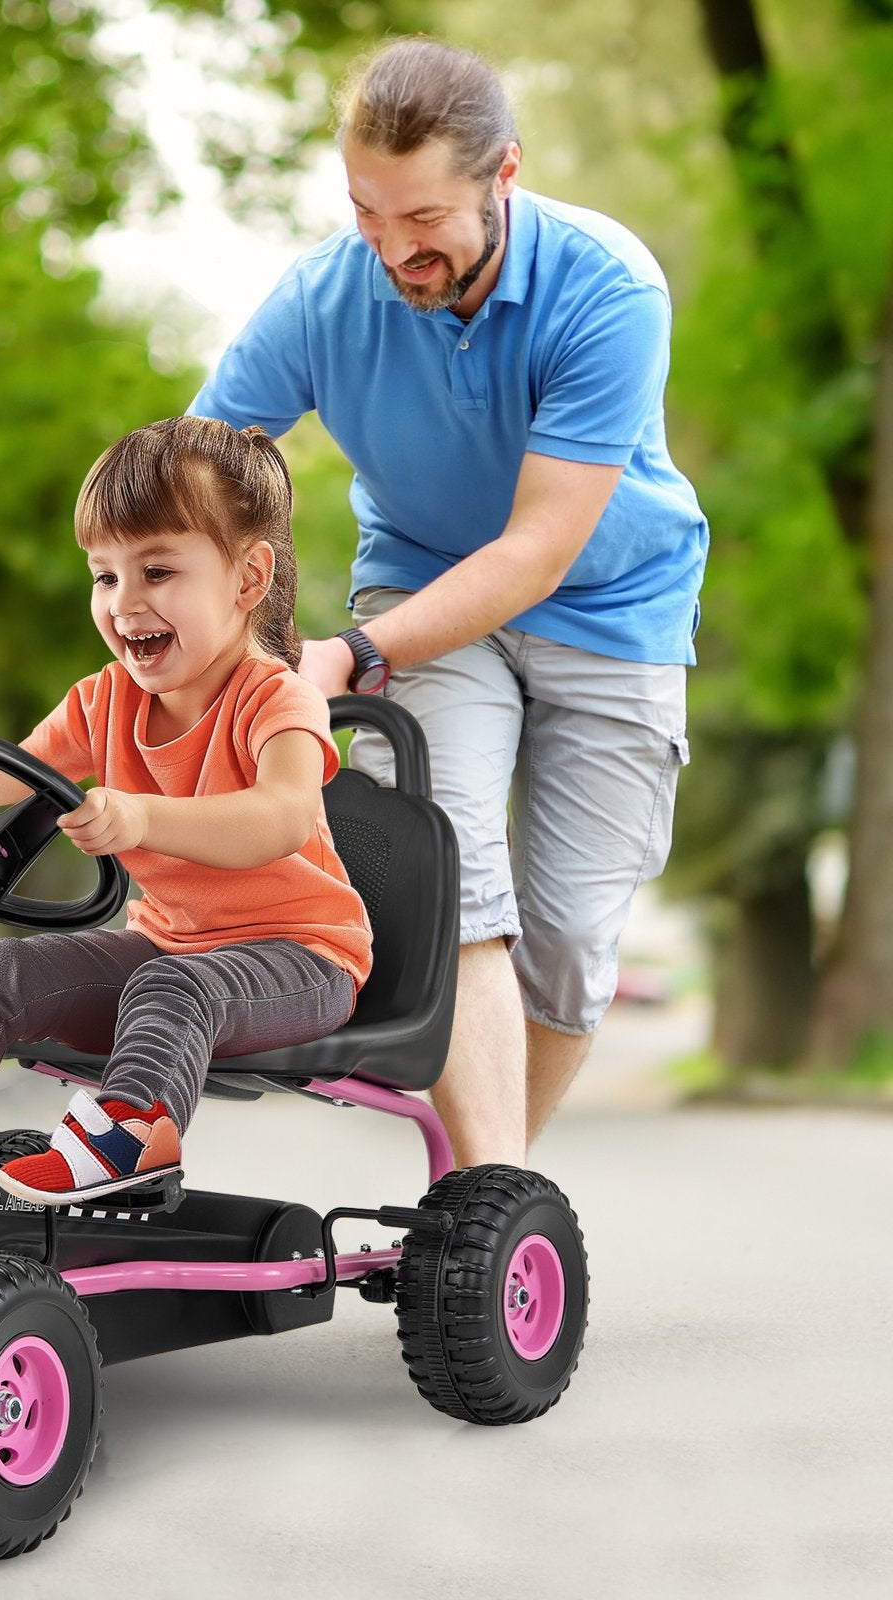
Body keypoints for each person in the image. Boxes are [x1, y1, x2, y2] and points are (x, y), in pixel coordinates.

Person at [190, 38, 708, 1169]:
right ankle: (484, 1209)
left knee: (569, 939)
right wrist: (178, 602)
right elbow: (198, 468)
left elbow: (532, 551)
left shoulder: (608, 288)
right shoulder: (326, 295)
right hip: (421, 580)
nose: (389, 247)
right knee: (457, 875)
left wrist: (346, 653)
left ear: (503, 175)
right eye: (365, 211)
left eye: (420, 217)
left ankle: (480, 1209)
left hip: (609, 603)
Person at [0, 415, 372, 1225]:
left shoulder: (277, 697)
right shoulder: (103, 700)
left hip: (302, 958)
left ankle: (133, 1133)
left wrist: (142, 816)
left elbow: (281, 818)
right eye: (105, 577)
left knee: (172, 982)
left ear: (248, 580)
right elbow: (5, 776)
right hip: (170, 948)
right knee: (1, 972)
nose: (125, 602)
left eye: (158, 570)